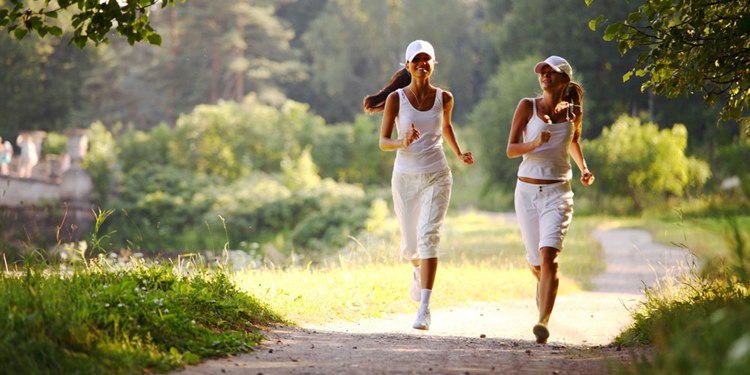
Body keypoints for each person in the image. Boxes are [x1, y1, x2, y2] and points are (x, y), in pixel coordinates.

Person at [363, 40, 474, 330]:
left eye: (428, 59)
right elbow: (384, 142)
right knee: (411, 248)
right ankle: (417, 271)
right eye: (417, 60)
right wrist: (404, 141)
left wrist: (459, 152)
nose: (422, 64)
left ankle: (424, 307)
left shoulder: (444, 98)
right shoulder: (396, 99)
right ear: (408, 65)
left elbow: (446, 126)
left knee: (429, 236)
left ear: (433, 64)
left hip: (437, 174)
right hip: (405, 177)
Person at [506, 56, 594, 344]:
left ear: (564, 80)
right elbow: (511, 149)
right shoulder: (526, 106)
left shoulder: (573, 112)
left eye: (551, 72)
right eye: (542, 72)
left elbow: (572, 141)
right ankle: (543, 288)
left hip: (559, 192)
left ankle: (542, 321)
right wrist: (535, 143)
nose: (544, 76)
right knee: (536, 264)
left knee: (550, 259)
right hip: (527, 193)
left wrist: (584, 168)